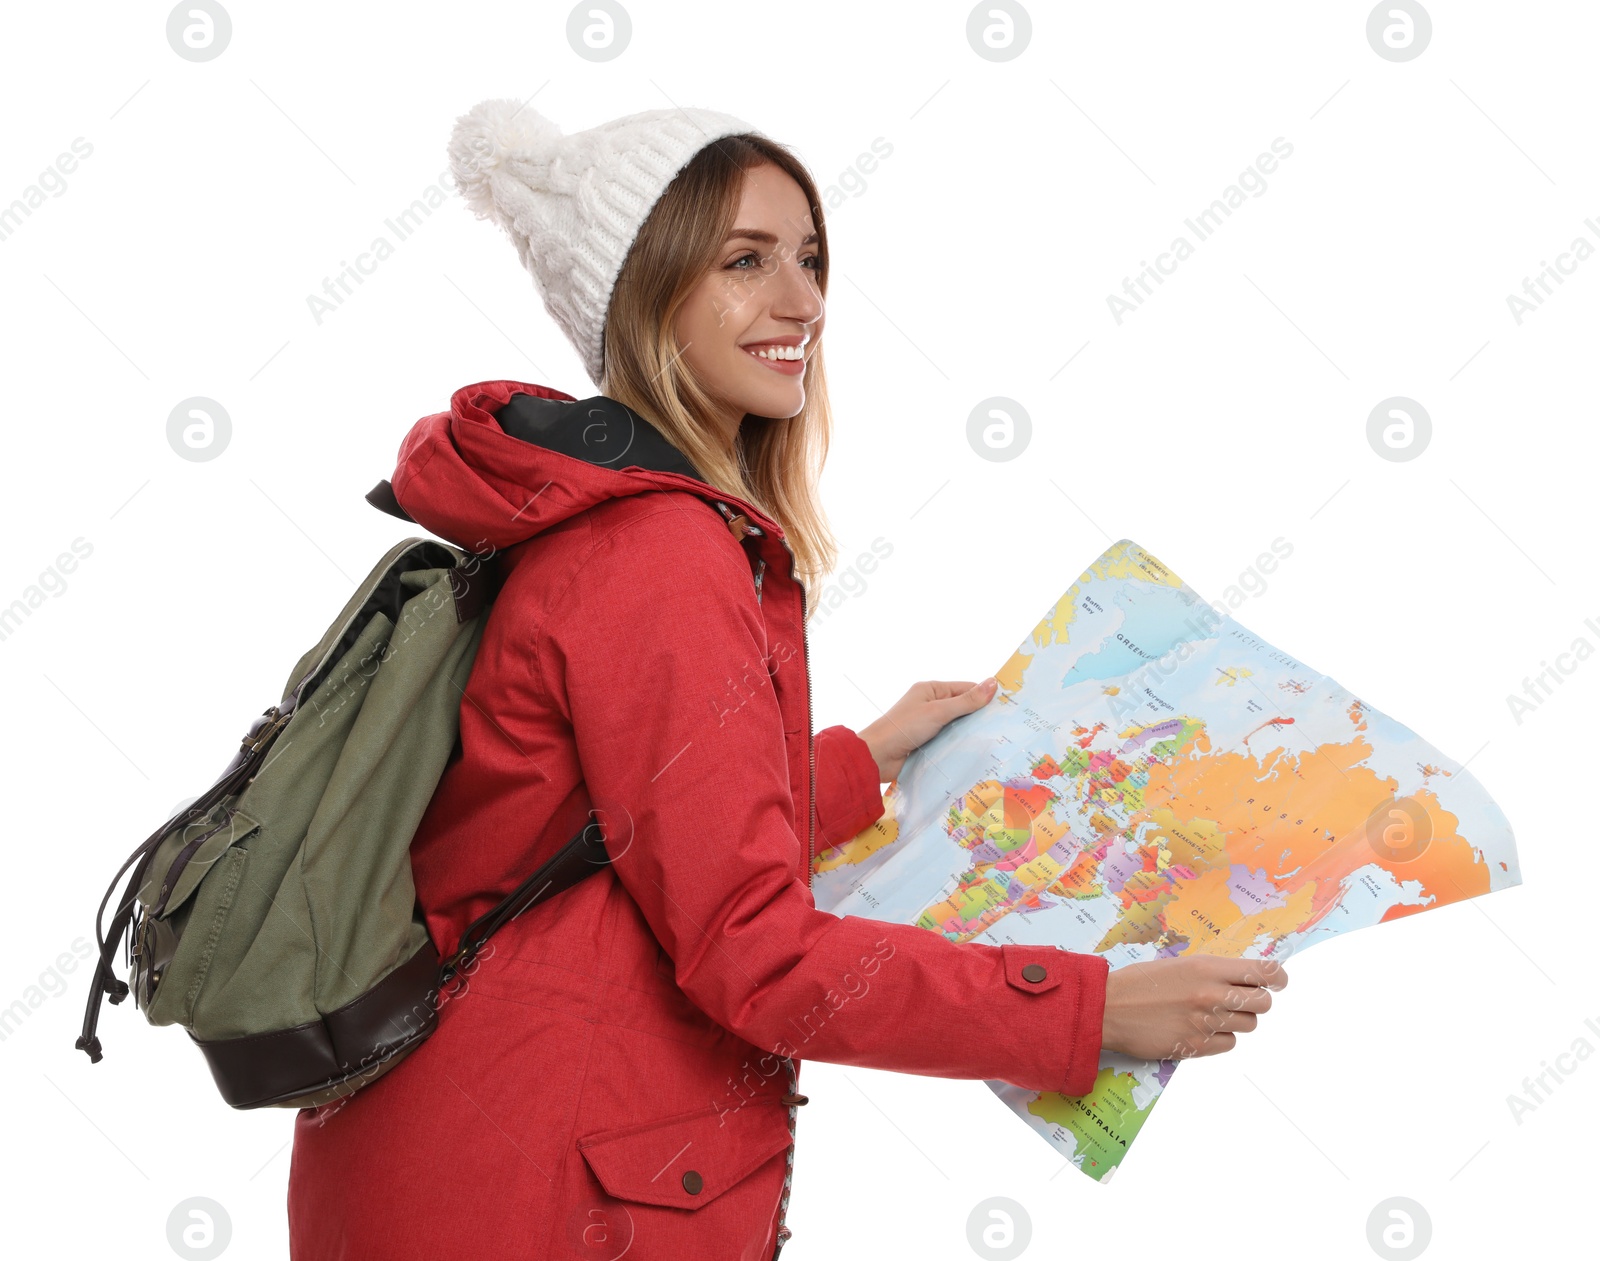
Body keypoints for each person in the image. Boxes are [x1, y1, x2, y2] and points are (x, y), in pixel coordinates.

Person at [286, 99, 1288, 1261]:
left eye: (809, 258)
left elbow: (619, 824)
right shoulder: (656, 554)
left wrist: (857, 764)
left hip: (460, 1155)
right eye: (744, 261)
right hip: (541, 1193)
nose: (804, 301)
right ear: (643, 295)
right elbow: (750, 952)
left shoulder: (586, 523)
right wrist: (1083, 1009)